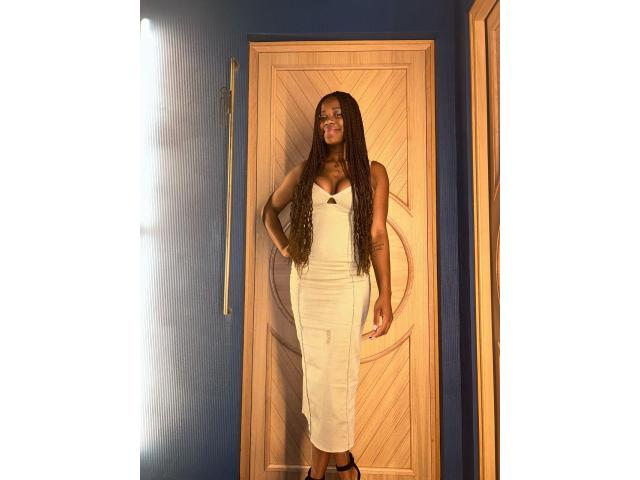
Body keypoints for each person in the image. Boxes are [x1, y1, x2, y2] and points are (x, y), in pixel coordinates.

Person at [261, 91, 393, 480]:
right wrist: (286, 247)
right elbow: (270, 211)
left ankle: (320, 473)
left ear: (351, 119)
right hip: (308, 284)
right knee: (318, 375)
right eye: (323, 116)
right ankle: (342, 466)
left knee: (339, 375)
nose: (328, 121)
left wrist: (385, 293)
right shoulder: (305, 171)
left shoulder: (374, 172)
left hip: (350, 284)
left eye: (336, 114)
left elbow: (378, 236)